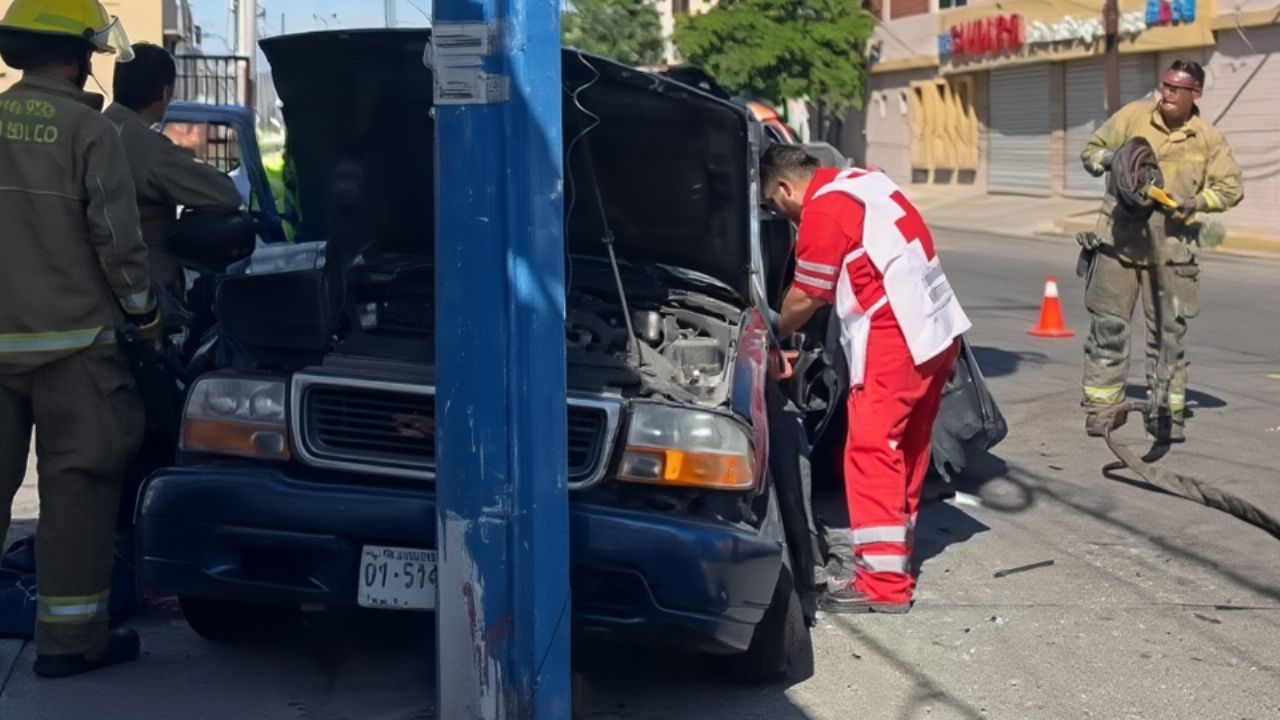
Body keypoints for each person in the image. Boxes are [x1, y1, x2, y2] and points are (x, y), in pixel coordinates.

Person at [0, 0, 155, 677]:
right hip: (76, 350)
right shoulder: (90, 132)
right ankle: (70, 644)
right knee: (79, 492)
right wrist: (145, 317)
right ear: (72, 55)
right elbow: (118, 243)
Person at [762, 144, 971, 614]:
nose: (785, 216)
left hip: (895, 336)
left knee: (871, 449)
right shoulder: (865, 182)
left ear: (783, 188)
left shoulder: (824, 209)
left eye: (777, 207)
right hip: (937, 330)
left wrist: (770, 330)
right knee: (907, 448)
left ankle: (882, 587)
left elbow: (808, 295)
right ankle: (893, 559)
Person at [1079, 60, 1243, 443]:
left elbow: (1231, 190)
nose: (1166, 93)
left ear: (1194, 94)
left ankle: (1166, 413)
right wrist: (1112, 160)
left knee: (1167, 336)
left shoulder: (1208, 138)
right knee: (1108, 329)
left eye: (1176, 89)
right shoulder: (1133, 116)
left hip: (1170, 250)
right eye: (1164, 85)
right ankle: (1103, 408)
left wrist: (1196, 201)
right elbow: (1091, 151)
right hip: (1117, 242)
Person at [104, 42, 242, 304]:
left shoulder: (98, 128)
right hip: (140, 289)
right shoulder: (139, 144)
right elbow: (225, 194)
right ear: (165, 92)